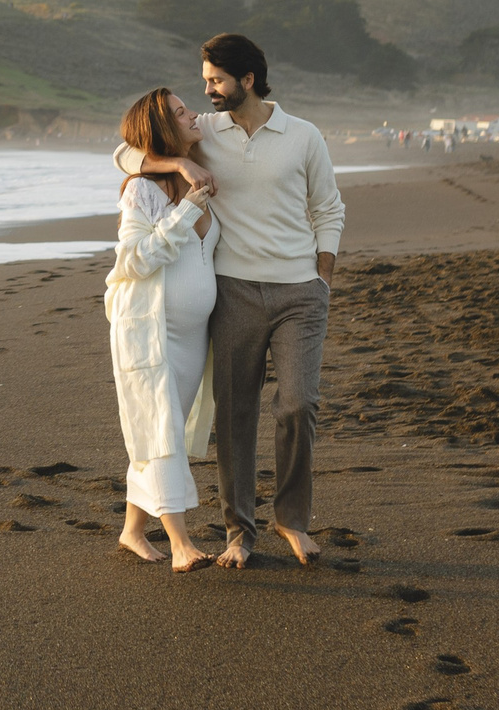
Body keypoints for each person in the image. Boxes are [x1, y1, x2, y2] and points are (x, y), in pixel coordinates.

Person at [115, 33, 344, 569]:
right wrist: (177, 167)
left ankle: (291, 520)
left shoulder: (304, 136)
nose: (208, 91)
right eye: (203, 83)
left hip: (299, 292)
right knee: (235, 414)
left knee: (298, 404)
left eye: (216, 81)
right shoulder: (205, 134)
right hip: (234, 292)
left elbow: (328, 208)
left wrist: (323, 276)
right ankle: (240, 532)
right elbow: (127, 151)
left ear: (247, 79)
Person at [104, 87, 220, 570]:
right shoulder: (141, 190)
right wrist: (186, 202)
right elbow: (133, 259)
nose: (192, 113)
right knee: (163, 430)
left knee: (158, 429)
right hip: (148, 329)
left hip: (192, 336)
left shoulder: (198, 152)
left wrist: (176, 166)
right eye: (179, 112)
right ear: (162, 130)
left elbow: (121, 152)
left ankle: (133, 531)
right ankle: (180, 543)